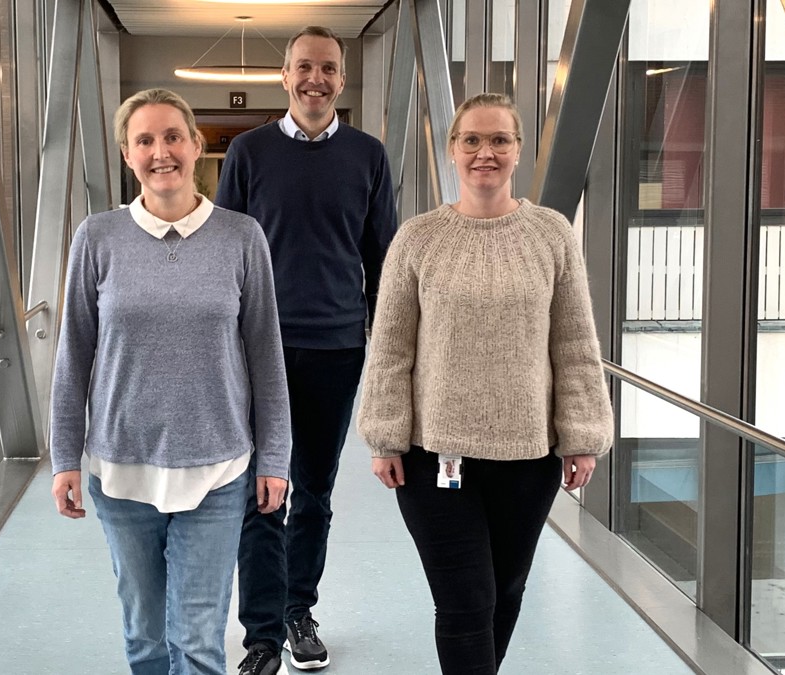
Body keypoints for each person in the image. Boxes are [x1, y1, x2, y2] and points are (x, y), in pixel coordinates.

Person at [356, 92, 615, 674]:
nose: (485, 152)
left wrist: (582, 434)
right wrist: (384, 435)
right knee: (465, 602)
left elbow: (574, 343)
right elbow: (391, 345)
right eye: (471, 139)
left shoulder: (551, 234)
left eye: (499, 139)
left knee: (506, 592)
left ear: (518, 151)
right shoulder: (418, 239)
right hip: (434, 456)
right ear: (453, 150)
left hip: (529, 456)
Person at [49, 88, 291, 675]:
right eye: (145, 140)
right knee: (146, 638)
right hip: (121, 469)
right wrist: (64, 459)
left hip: (218, 470)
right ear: (127, 155)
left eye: (173, 136)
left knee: (199, 641)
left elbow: (265, 356)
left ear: (196, 143)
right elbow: (73, 356)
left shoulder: (241, 237)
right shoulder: (98, 238)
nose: (162, 152)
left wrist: (275, 458)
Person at [215, 25, 398, 675]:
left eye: (327, 68)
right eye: (303, 68)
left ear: (341, 80)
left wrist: (386, 353)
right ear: (285, 77)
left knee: (314, 490)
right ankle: (261, 635)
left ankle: (299, 609)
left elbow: (385, 262)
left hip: (338, 348)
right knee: (263, 492)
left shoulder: (368, 157)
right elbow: (222, 256)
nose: (315, 78)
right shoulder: (248, 151)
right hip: (258, 352)